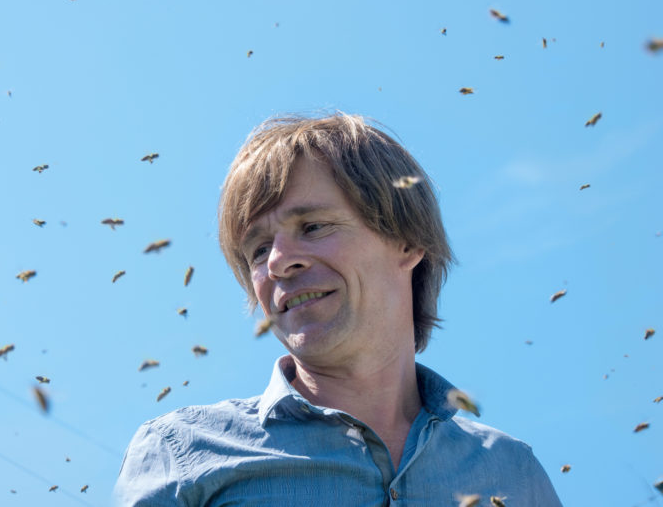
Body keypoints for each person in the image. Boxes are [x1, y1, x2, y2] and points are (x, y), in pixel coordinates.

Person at [114, 113, 562, 506]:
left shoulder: (514, 475)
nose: (277, 262)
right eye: (257, 249)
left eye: (312, 226)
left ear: (406, 240)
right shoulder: (184, 454)